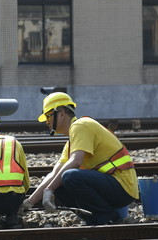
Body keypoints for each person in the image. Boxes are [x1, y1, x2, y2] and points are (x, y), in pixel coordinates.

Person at [23, 92, 139, 225]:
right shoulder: (71, 142)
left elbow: (76, 161)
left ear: (60, 113)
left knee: (70, 176)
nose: (47, 122)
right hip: (110, 188)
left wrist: (49, 190)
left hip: (122, 187)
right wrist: (29, 202)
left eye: (48, 116)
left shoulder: (81, 125)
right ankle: (97, 219)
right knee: (58, 182)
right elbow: (54, 174)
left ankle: (108, 217)